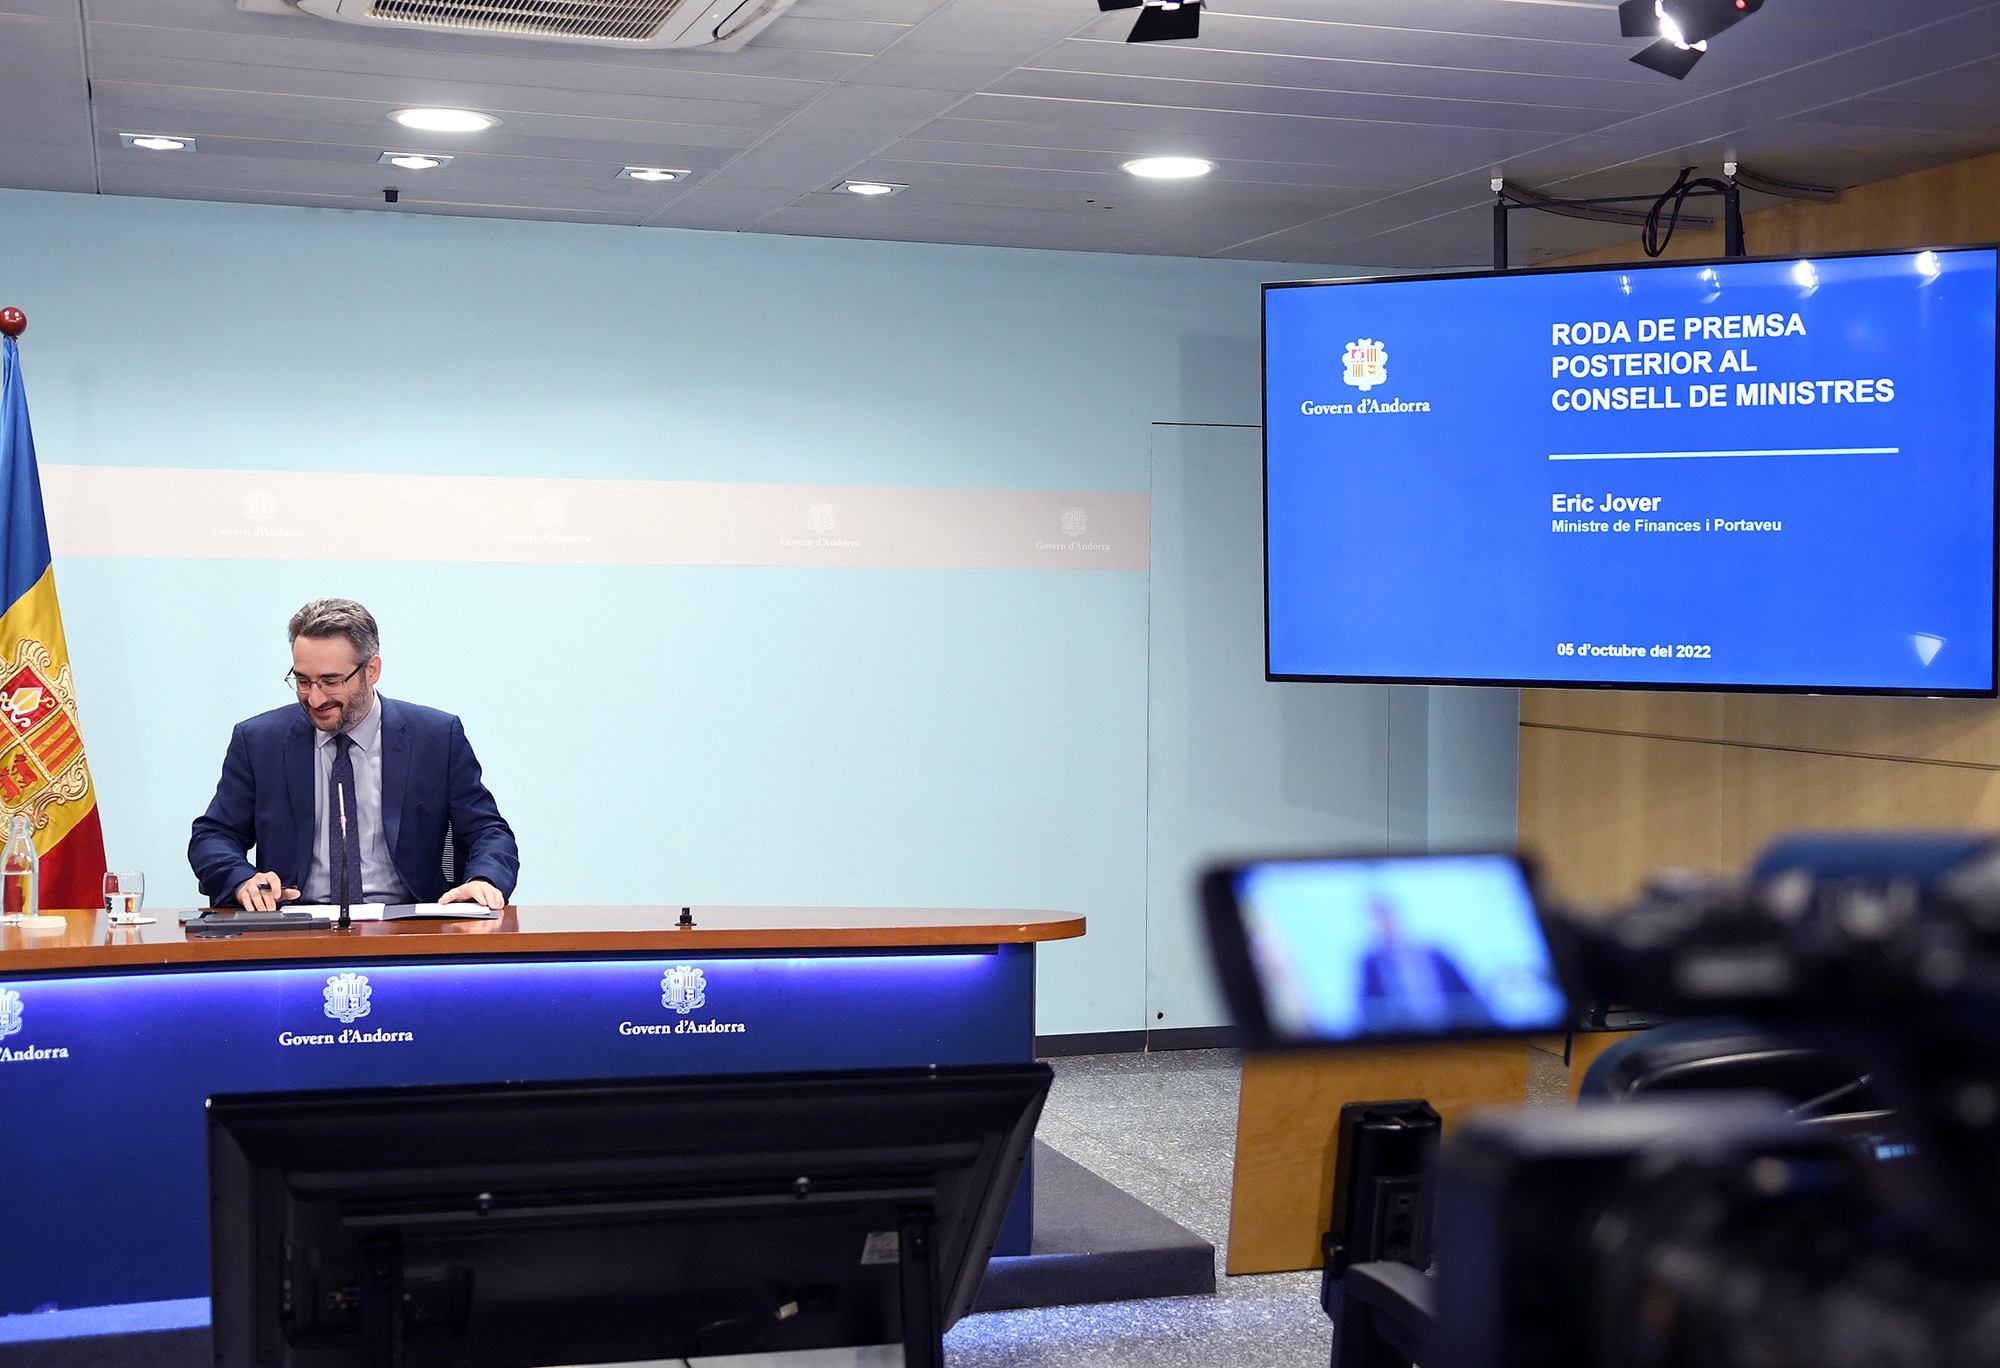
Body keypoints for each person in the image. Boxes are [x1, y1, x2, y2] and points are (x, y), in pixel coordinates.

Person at [189, 598, 518, 910]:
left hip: (408, 925)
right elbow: (213, 836)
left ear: (371, 670)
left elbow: (487, 832)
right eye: (303, 680)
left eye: (331, 681)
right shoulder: (260, 741)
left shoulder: (434, 737)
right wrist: (242, 880)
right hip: (296, 924)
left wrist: (483, 879)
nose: (315, 698)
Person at [1356, 896, 1494, 1033]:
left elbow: (1467, 996)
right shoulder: (1371, 963)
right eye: (1376, 919)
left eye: (1385, 917)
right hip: (1401, 1039)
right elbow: (1369, 1006)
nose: (1383, 924)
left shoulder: (1436, 955)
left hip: (1450, 1031)